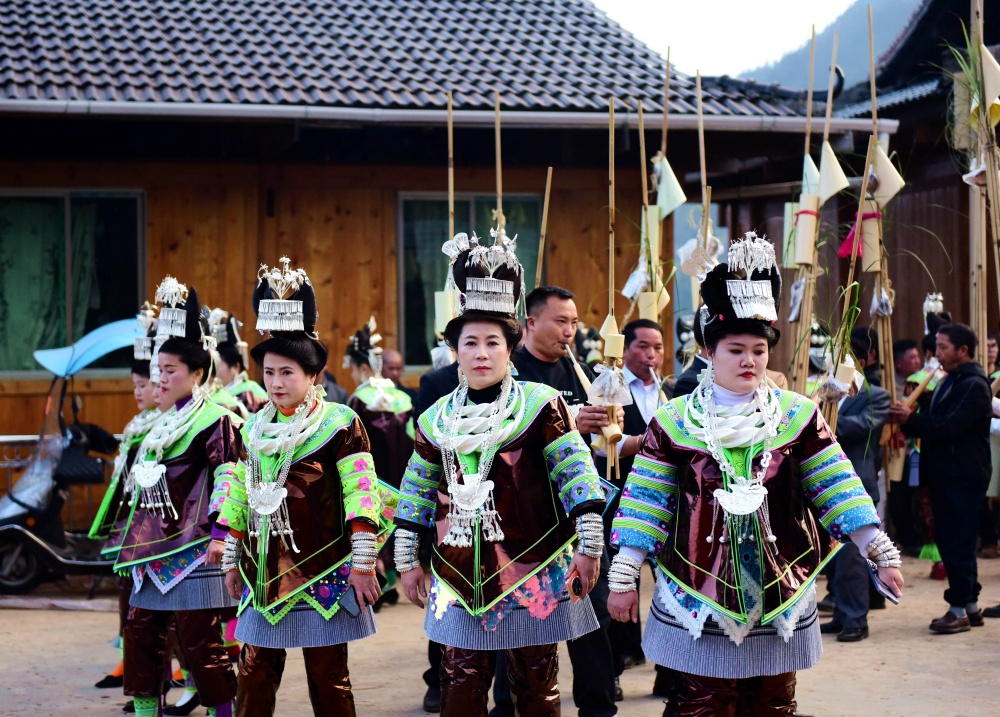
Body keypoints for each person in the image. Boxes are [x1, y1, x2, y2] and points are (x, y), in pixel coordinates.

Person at [607, 232, 903, 715]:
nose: (749, 360)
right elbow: (646, 500)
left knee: (773, 702)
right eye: (735, 349)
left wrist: (878, 550)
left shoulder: (798, 414)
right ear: (709, 352)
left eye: (759, 351)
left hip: (780, 584)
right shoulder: (675, 420)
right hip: (696, 586)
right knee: (702, 702)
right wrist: (624, 575)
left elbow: (836, 485)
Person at [395, 229, 607, 717]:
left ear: (511, 348)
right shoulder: (437, 417)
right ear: (456, 349)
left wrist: (590, 546)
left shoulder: (541, 404)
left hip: (535, 565)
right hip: (458, 570)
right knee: (460, 681)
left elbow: (578, 477)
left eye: (493, 342)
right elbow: (416, 489)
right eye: (470, 342)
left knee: (536, 683)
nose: (481, 353)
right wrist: (406, 558)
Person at [208, 259, 391, 717]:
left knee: (328, 677)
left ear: (314, 374)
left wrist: (364, 563)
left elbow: (361, 492)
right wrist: (231, 556)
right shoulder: (253, 428)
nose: (275, 383)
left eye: (287, 372)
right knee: (252, 671)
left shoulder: (340, 423)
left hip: (323, 568)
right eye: (269, 372)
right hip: (262, 571)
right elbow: (239, 493)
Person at [114, 278, 241, 717]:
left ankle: (221, 711)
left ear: (197, 374)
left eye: (170, 371)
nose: (160, 379)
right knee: (140, 633)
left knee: (199, 639)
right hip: (152, 548)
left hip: (196, 547)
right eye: (158, 371)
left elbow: (229, 477)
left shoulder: (216, 419)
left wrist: (222, 533)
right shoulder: (159, 425)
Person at [510, 285, 620, 717]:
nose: (570, 331)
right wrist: (572, 421)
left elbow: (601, 448)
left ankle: (598, 707)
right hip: (529, 519)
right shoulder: (511, 373)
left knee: (592, 614)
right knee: (521, 619)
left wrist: (611, 429)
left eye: (574, 322)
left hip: (582, 513)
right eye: (560, 321)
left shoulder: (581, 372)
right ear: (530, 323)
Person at [889, 322, 992, 633]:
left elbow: (948, 426)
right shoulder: (951, 379)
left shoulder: (974, 385)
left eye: (944, 347)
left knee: (957, 542)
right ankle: (970, 606)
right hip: (946, 474)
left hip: (962, 475)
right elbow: (936, 419)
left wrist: (911, 419)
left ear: (963, 350)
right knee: (956, 540)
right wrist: (913, 414)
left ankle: (958, 609)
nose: (937, 353)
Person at [90, 349, 162, 690]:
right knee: (129, 594)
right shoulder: (139, 423)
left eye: (143, 384)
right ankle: (131, 664)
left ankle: (175, 675)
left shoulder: (168, 424)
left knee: (157, 605)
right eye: (135, 385)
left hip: (156, 526)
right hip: (131, 521)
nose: (138, 391)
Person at [601, 319, 668, 690]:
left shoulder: (667, 390)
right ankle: (612, 669)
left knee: (668, 585)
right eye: (643, 346)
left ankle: (671, 675)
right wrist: (649, 441)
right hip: (619, 497)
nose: (651, 355)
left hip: (663, 501)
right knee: (619, 579)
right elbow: (602, 445)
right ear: (625, 349)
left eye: (657, 347)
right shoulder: (609, 386)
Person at [820, 330, 891, 642]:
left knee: (853, 560)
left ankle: (856, 620)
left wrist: (827, 419)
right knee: (835, 561)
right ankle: (840, 615)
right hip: (827, 488)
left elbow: (865, 426)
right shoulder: (828, 394)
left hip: (857, 487)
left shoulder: (876, 395)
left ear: (859, 363)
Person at [344, 317, 415, 608]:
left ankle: (381, 580)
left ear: (362, 367)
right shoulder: (402, 397)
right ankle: (394, 577)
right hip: (402, 473)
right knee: (397, 522)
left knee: (373, 522)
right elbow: (413, 437)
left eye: (352, 368)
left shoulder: (358, 400)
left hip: (369, 475)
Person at [211, 311, 268, 416]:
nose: (212, 372)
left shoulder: (250, 392)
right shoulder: (216, 392)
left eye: (218, 365)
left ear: (236, 367)